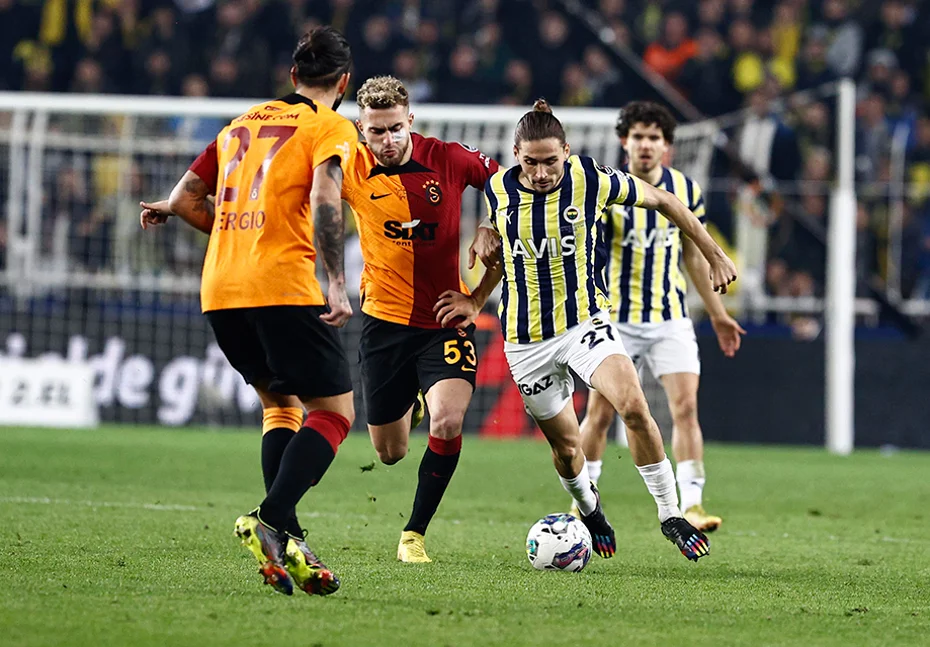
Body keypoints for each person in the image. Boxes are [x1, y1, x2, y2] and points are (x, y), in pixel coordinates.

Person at [450, 100, 737, 561]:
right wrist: (476, 294)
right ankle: (590, 510)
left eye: (550, 161)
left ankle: (671, 515)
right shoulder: (498, 189)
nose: (541, 173)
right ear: (516, 155)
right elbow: (504, 255)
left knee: (635, 407)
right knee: (567, 450)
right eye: (531, 162)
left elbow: (665, 200)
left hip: (585, 323)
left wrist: (714, 253)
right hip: (526, 342)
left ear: (566, 151)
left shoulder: (590, 178)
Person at [140, 27, 357, 596]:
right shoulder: (331, 127)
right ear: (344, 83)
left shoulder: (238, 124)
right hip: (281, 284)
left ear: (292, 75)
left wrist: (232, 233)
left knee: (281, 407)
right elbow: (325, 197)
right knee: (335, 413)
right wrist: (337, 281)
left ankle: (290, 542)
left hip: (221, 289)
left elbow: (185, 198)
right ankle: (271, 519)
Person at [343, 75, 501, 563]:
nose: (388, 140)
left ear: (410, 120)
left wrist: (489, 228)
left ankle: (413, 534)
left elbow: (512, 182)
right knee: (389, 453)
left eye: (396, 128)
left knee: (448, 421)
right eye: (377, 131)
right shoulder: (349, 166)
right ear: (362, 130)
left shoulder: (448, 158)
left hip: (443, 321)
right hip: (384, 324)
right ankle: (412, 401)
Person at [578, 101, 746, 532]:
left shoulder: (686, 191)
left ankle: (693, 504)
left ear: (666, 145)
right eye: (638, 136)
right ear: (624, 141)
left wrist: (718, 314)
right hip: (616, 321)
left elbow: (693, 257)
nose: (646, 145)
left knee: (685, 408)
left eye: (654, 137)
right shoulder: (608, 189)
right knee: (600, 414)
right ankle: (585, 501)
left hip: (670, 317)